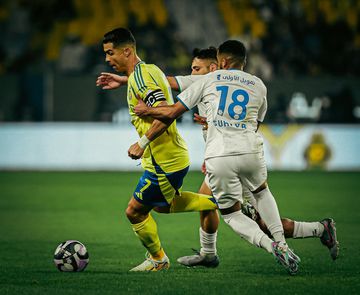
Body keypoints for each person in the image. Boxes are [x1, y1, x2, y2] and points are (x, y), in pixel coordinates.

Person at [96, 46, 340, 269]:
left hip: (225, 156)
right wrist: (126, 79)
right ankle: (208, 254)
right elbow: (163, 81)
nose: (191, 73)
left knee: (250, 219)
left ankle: (318, 229)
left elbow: (170, 106)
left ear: (216, 66)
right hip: (237, 154)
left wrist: (150, 115)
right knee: (204, 201)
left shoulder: (208, 80)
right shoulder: (247, 83)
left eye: (196, 68)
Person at [134, 40, 303, 275]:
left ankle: (271, 246)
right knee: (262, 193)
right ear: (243, 61)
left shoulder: (209, 80)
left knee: (232, 214)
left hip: (219, 154)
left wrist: (146, 110)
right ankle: (282, 243)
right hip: (251, 151)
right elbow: (255, 124)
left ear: (221, 62)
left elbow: (172, 112)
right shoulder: (259, 84)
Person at [101, 27, 218, 272]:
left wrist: (142, 143)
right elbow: (155, 89)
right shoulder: (149, 70)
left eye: (111, 53)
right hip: (172, 157)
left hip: (163, 161)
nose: (107, 59)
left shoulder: (142, 77)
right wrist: (124, 81)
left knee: (134, 212)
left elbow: (166, 113)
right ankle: (221, 202)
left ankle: (158, 259)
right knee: (161, 205)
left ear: (127, 51)